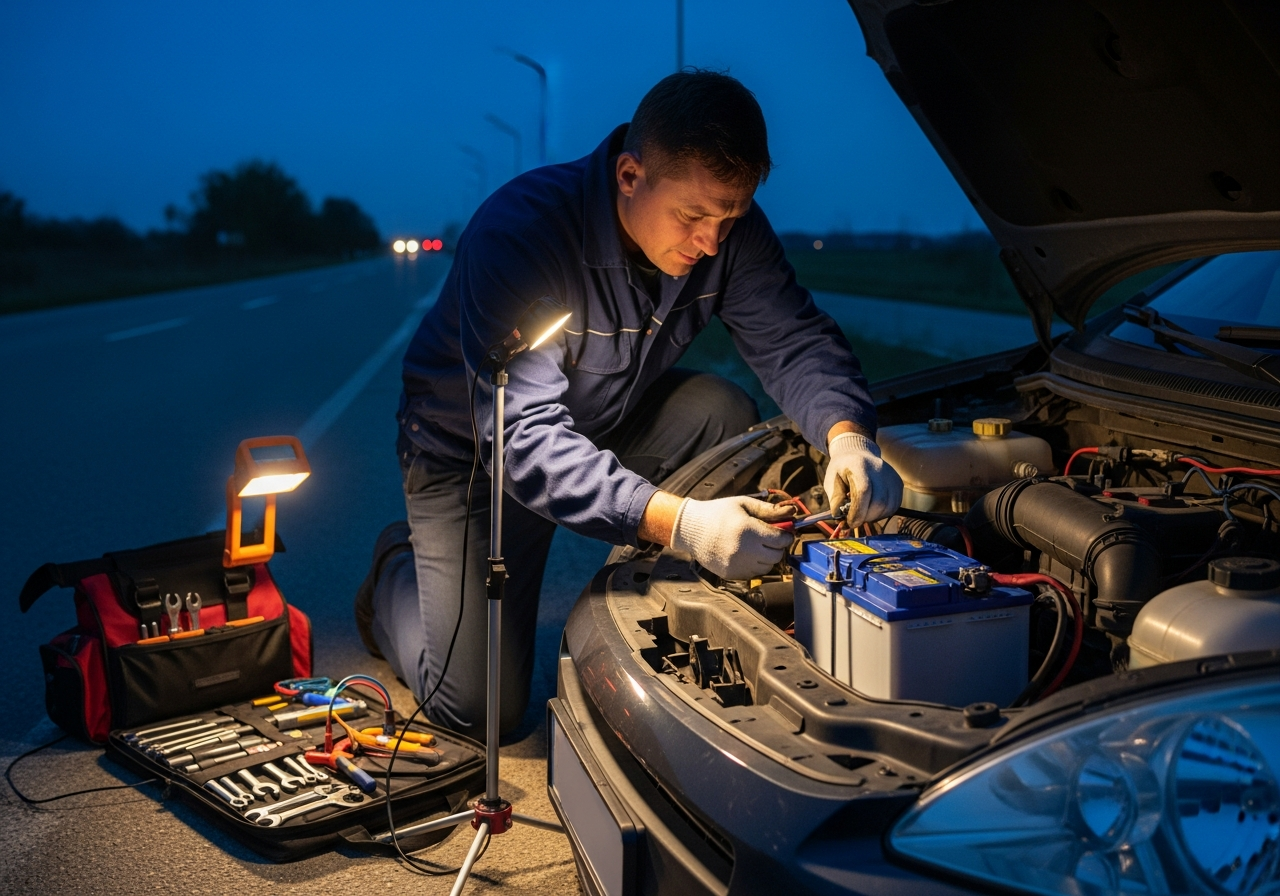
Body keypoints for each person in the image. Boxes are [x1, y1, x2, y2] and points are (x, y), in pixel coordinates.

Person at [355, 71, 902, 740]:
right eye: (693, 216)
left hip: (604, 422)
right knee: (478, 712)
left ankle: (677, 618)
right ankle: (393, 578)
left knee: (720, 412)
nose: (710, 242)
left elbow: (793, 338)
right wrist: (682, 523)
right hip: (473, 459)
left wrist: (848, 435)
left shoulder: (730, 231)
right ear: (629, 174)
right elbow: (522, 438)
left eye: (728, 217)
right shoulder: (521, 235)